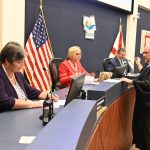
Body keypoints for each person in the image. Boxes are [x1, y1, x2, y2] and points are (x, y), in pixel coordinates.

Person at [0, 41, 59, 112]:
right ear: (7, 61)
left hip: (21, 113)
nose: (22, 65)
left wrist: (48, 96)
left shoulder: (17, 74)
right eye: (19, 62)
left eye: (23, 61)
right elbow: (4, 101)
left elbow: (31, 91)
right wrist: (33, 104)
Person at [121, 46, 150, 150]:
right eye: (143, 53)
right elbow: (143, 75)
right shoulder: (148, 66)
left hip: (147, 104)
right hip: (143, 103)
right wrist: (135, 84)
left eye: (146, 53)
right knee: (142, 128)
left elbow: (148, 84)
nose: (144, 55)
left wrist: (132, 81)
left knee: (146, 130)